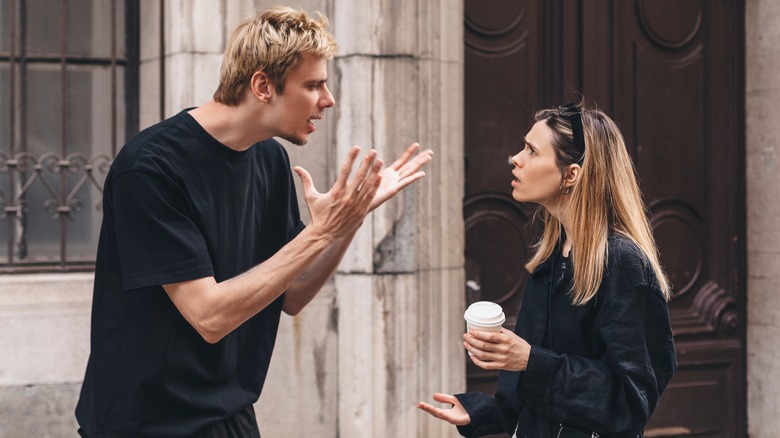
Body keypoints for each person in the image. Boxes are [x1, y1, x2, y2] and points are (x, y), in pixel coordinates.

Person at [75, 6, 433, 438]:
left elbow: (293, 293)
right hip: (146, 423)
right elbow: (208, 316)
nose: (328, 99)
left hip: (230, 415)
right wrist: (321, 231)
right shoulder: (151, 167)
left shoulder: (270, 159)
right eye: (314, 85)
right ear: (263, 85)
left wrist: (349, 220)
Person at [417, 102, 676, 438]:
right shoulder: (553, 257)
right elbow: (539, 389)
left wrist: (530, 361)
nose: (516, 159)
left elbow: (630, 403)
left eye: (531, 151)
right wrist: (486, 410)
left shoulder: (622, 263)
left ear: (571, 174)